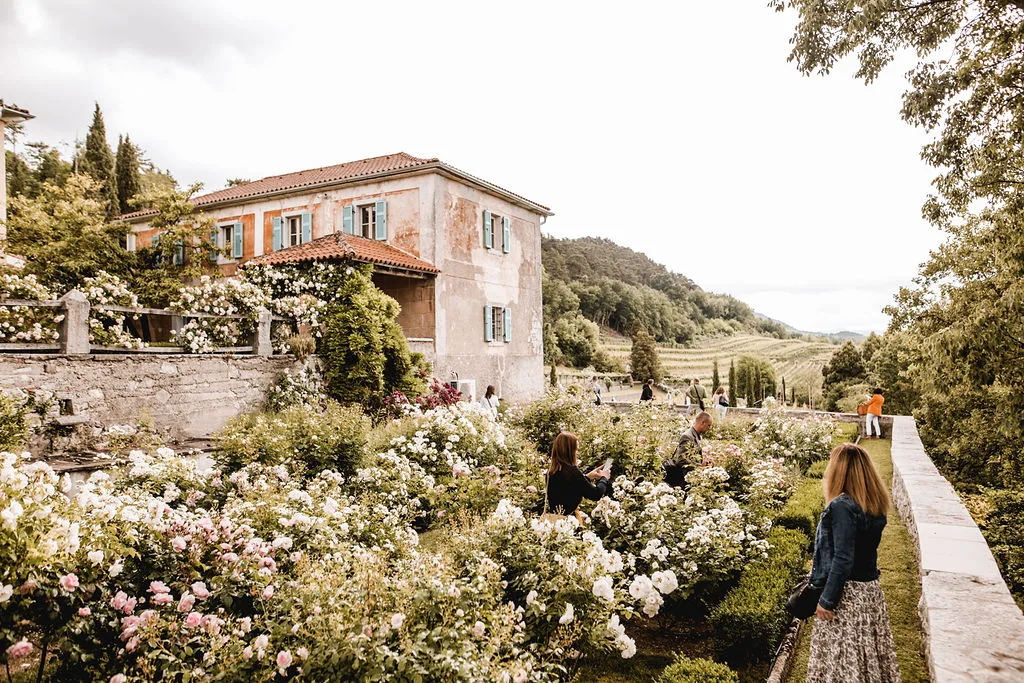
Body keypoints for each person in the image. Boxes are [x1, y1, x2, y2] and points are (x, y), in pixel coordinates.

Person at [807, 443, 900, 682]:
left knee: (843, 655)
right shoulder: (873, 503)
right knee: (865, 652)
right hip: (869, 591)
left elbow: (843, 558)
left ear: (840, 471)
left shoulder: (842, 506)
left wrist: (827, 601)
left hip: (848, 594)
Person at [543, 431, 611, 519]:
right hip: (568, 522)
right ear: (569, 451)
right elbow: (596, 494)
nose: (577, 453)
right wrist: (604, 478)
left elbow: (568, 488)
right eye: (576, 449)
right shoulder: (572, 471)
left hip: (554, 522)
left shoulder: (551, 471)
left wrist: (587, 476)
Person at [663, 411, 712, 486]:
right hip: (684, 480)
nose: (709, 428)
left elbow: (691, 456)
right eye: (709, 425)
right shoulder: (687, 436)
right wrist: (699, 466)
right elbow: (681, 460)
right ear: (702, 422)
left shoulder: (694, 435)